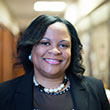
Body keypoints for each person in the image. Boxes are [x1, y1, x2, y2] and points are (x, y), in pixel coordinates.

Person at [0, 14, 109, 110]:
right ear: (30, 49)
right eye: (45, 43)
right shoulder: (4, 93)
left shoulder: (95, 89)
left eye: (63, 45)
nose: (55, 51)